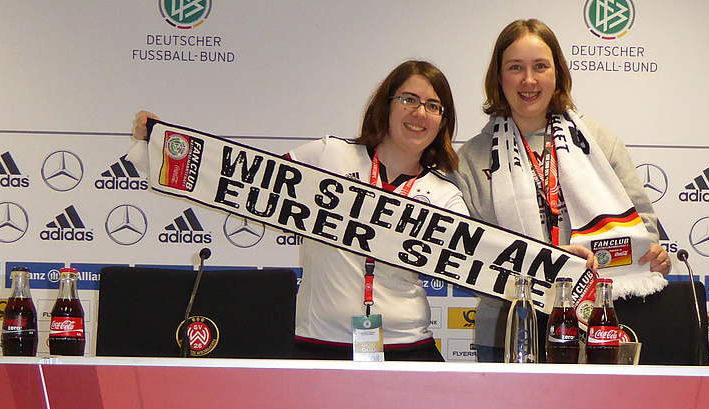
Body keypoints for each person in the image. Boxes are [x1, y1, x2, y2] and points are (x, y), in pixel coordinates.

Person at [132, 60, 465, 361]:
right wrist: (163, 144)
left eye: (433, 106)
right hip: (319, 344)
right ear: (386, 105)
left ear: (443, 121)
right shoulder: (328, 157)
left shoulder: (445, 195)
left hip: (407, 347)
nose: (420, 113)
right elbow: (246, 179)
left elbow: (474, 261)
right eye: (408, 99)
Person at [453, 19, 673, 362]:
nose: (529, 80)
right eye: (515, 68)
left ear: (558, 73)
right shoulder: (469, 158)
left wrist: (652, 255)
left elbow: (643, 228)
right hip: (508, 330)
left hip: (594, 328)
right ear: (499, 77)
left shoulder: (599, 143)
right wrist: (550, 262)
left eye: (540, 66)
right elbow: (465, 252)